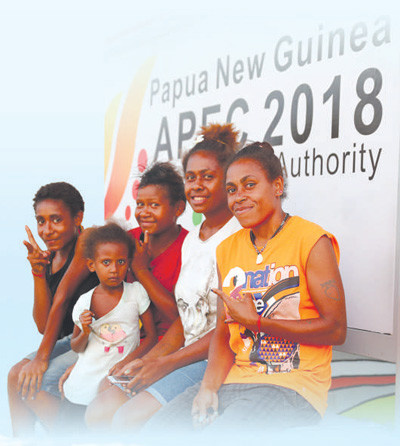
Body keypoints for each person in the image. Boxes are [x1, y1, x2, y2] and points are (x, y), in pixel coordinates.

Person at [147, 141, 347, 432]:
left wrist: (256, 322)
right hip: (234, 380)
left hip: (293, 387)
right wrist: (208, 388)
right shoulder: (227, 249)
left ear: (277, 186)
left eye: (249, 185)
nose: (239, 197)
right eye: (231, 189)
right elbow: (223, 334)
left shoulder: (311, 240)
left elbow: (336, 329)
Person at [86, 123, 243, 431]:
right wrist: (147, 360)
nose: (197, 185)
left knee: (125, 420)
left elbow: (228, 332)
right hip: (184, 352)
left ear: (229, 182)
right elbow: (185, 320)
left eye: (208, 177)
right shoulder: (194, 239)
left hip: (216, 359)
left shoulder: (238, 238)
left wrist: (163, 364)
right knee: (101, 405)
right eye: (191, 177)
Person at [7, 182, 99, 436]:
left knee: (28, 380)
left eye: (56, 220)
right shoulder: (49, 258)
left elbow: (62, 296)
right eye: (41, 221)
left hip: (95, 337)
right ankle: (20, 439)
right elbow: (43, 326)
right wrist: (38, 273)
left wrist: (41, 358)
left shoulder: (88, 240)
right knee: (15, 375)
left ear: (78, 217)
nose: (47, 230)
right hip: (69, 341)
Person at [62, 222, 157, 406]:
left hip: (115, 378)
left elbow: (152, 337)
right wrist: (85, 331)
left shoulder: (136, 292)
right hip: (83, 379)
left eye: (120, 262)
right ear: (92, 264)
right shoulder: (84, 302)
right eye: (106, 262)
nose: (114, 269)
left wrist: (127, 361)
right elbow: (76, 347)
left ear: (128, 262)